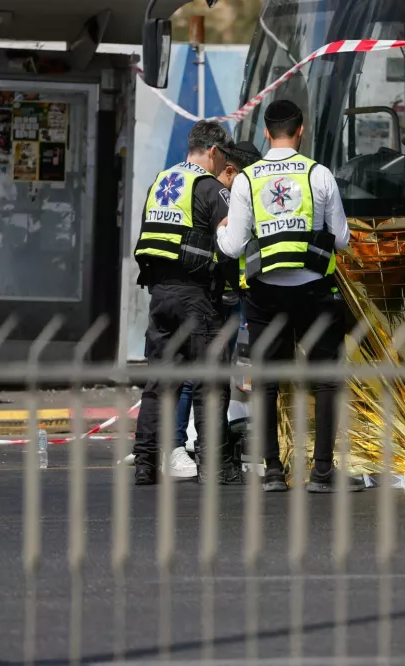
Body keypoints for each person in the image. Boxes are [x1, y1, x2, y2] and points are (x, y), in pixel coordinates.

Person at [217, 99, 364, 494]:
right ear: (301, 131)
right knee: (326, 380)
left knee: (267, 381)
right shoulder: (319, 174)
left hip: (264, 294)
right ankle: (322, 473)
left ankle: (271, 472)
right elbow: (342, 240)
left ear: (266, 133)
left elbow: (233, 247)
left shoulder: (247, 179)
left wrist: (220, 229)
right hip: (316, 290)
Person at [132, 120, 240, 486]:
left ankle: (145, 463)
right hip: (197, 297)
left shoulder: (161, 182)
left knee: (159, 383)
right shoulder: (210, 188)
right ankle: (212, 465)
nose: (224, 162)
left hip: (160, 296)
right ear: (213, 151)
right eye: (224, 155)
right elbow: (229, 245)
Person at [171, 140, 263, 478]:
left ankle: (205, 449)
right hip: (215, 300)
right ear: (231, 171)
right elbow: (226, 249)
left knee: (213, 377)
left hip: (225, 299)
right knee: (200, 376)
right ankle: (185, 448)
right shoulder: (217, 196)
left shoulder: (218, 194)